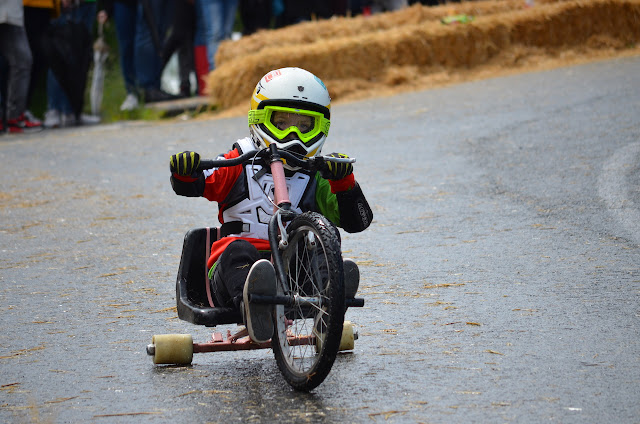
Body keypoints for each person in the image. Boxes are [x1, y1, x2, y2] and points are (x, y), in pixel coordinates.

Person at [168, 67, 373, 342]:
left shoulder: (316, 174)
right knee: (236, 250)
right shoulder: (237, 161)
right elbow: (194, 182)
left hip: (293, 280)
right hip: (231, 279)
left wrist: (344, 182)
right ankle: (257, 309)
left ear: (320, 127)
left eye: (304, 126)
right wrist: (185, 170)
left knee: (324, 238)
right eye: (283, 122)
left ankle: (330, 303)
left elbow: (357, 221)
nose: (293, 135)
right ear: (260, 118)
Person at [0, 0, 43, 133]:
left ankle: (14, 117)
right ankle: (13, 117)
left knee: (22, 60)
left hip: (10, 11)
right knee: (22, 59)